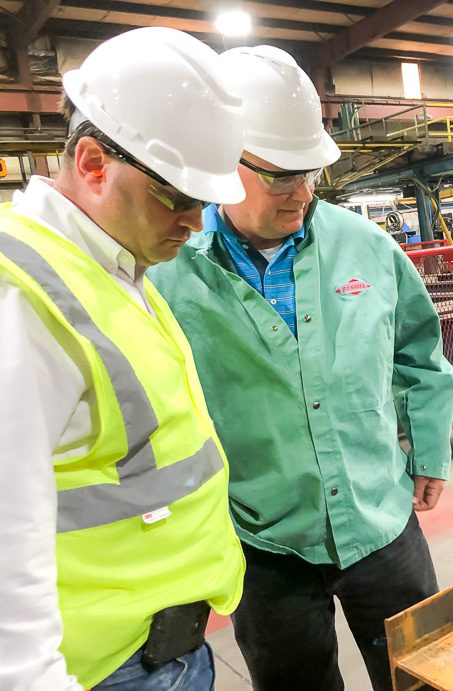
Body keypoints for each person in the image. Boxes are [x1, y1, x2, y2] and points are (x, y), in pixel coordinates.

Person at [148, 45, 453, 691]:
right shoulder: (168, 271)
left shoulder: (366, 246)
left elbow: (419, 356)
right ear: (223, 163)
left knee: (426, 673)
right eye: (281, 176)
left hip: (379, 515)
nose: (301, 194)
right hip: (262, 540)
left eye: (312, 173)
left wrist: (428, 452)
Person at [0, 28, 248, 690]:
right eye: (177, 196)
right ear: (92, 163)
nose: (195, 222)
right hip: (102, 671)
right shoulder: (21, 297)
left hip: (163, 652)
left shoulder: (111, 268)